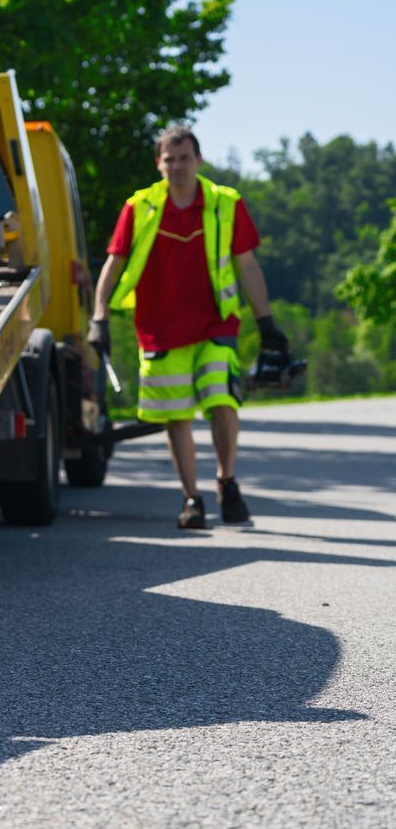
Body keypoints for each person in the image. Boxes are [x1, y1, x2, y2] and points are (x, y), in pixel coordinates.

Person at [88, 124, 287, 529]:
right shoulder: (140, 207)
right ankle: (192, 500)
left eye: (184, 158)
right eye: (169, 159)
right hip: (160, 329)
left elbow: (247, 264)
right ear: (158, 164)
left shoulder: (225, 203)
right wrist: (98, 316)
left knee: (222, 401)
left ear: (198, 160)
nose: (176, 166)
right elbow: (114, 264)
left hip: (216, 322)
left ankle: (227, 483)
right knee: (176, 416)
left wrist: (265, 321)